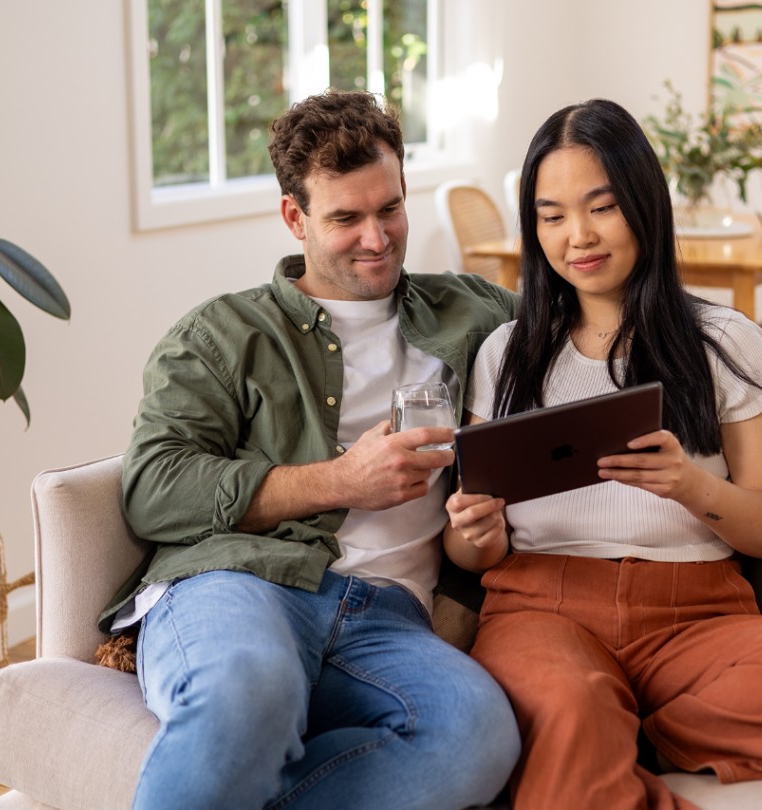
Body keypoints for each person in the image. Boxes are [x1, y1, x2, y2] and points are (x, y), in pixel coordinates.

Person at [443, 98, 762, 810]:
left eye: (601, 207)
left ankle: (611, 730)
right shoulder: (505, 355)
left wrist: (692, 487)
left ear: (643, 205)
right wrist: (471, 535)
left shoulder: (724, 342)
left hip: (695, 620)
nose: (578, 237)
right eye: (552, 215)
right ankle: (583, 725)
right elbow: (473, 552)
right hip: (543, 607)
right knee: (566, 705)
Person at [99, 90, 521, 810]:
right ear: (294, 217)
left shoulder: (476, 310)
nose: (376, 238)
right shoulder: (223, 334)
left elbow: (588, 337)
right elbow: (153, 488)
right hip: (243, 586)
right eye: (345, 219)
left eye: (388, 208)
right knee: (247, 688)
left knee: (477, 735)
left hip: (391, 618)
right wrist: (338, 481)